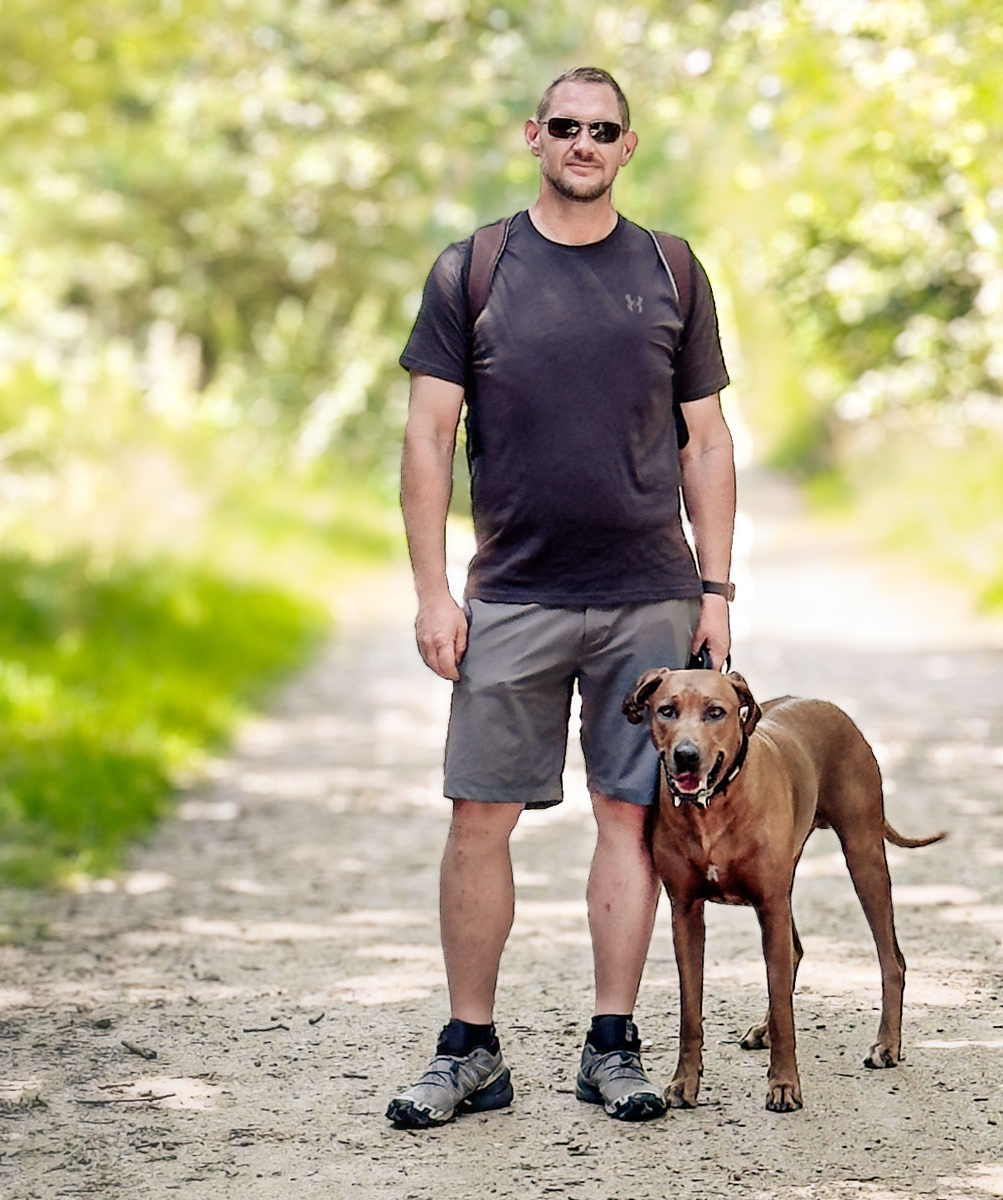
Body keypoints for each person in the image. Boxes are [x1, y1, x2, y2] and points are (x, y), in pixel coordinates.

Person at [386, 65, 737, 1128]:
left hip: (648, 598)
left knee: (631, 822)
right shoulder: (473, 270)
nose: (585, 143)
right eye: (567, 127)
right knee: (479, 816)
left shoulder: (672, 270)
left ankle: (612, 1045)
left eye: (605, 130)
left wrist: (716, 591)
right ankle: (470, 1049)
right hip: (515, 595)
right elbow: (425, 435)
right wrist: (433, 591)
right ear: (534, 136)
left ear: (629, 147)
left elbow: (708, 441)